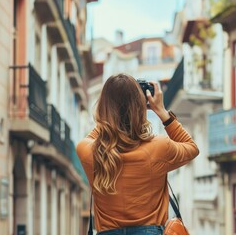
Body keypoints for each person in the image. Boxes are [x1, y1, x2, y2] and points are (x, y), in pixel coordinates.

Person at [76, 73, 199, 235]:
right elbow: (191, 147)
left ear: (103, 107)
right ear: (140, 106)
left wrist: (112, 110)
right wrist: (161, 111)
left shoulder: (88, 151)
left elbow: (97, 132)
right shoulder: (159, 147)